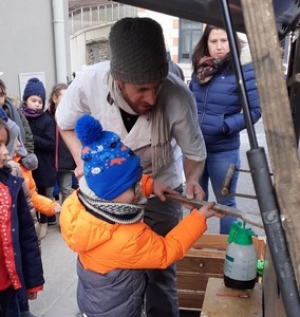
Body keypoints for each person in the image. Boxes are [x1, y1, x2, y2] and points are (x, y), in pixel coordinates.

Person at [56, 17, 207, 317]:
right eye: (141, 89)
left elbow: (195, 153)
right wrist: (82, 162)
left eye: (157, 86)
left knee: (161, 274)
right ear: (118, 78)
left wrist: (192, 179)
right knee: (112, 271)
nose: (151, 98)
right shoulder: (88, 82)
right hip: (107, 194)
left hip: (161, 186)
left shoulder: (178, 96)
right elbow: (65, 124)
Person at [60, 114, 222, 317]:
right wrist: (198, 218)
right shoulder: (128, 238)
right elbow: (166, 251)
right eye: (134, 185)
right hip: (119, 310)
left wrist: (151, 185)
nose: (138, 188)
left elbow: (118, 184)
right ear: (112, 194)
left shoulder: (78, 203)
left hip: (93, 301)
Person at [189, 25, 261, 234]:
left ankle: (226, 254)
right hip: (196, 151)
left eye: (224, 41)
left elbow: (255, 111)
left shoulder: (243, 68)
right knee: (195, 202)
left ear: (233, 42)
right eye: (214, 41)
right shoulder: (200, 67)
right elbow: (190, 103)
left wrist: (225, 126)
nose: (219, 47)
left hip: (224, 150)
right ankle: (197, 251)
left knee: (225, 205)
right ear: (206, 43)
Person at [0, 119, 44, 317]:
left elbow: (26, 235)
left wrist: (33, 279)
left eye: (4, 144)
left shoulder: (10, 186)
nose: (5, 152)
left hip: (9, 287)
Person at [20, 77, 57, 239]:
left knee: (44, 194)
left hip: (44, 165)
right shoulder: (21, 118)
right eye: (33, 100)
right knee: (29, 195)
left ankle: (44, 223)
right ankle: (33, 222)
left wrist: (31, 137)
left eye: (40, 101)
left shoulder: (47, 120)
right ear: (25, 100)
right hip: (26, 166)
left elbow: (50, 144)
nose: (37, 104)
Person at [0, 79, 38, 171]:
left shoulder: (14, 112)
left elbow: (27, 136)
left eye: (1, 95)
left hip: (17, 162)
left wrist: (26, 156)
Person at [47, 83, 76, 204]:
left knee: (66, 189)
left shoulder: (71, 116)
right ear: (54, 98)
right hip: (50, 160)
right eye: (63, 97)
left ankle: (66, 217)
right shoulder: (46, 117)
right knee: (49, 191)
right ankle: (49, 217)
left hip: (66, 160)